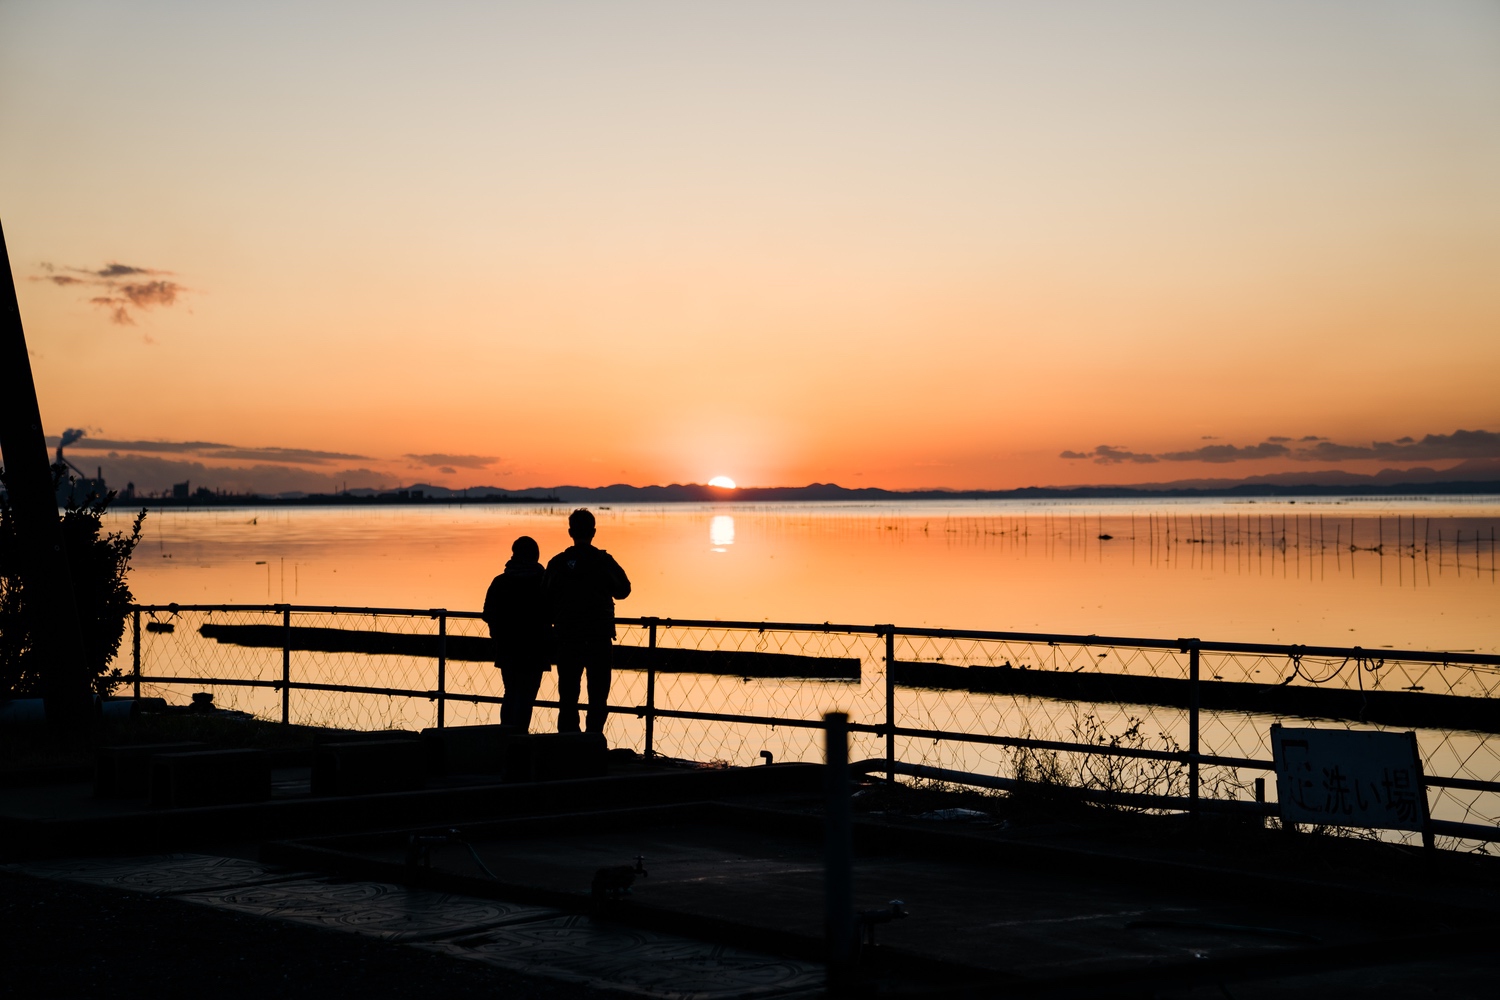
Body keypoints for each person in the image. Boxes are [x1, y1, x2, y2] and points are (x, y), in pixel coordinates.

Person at [545, 508, 631, 735]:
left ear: (570, 532)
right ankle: (593, 740)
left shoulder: (558, 563)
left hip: (567, 637)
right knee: (598, 695)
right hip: (598, 637)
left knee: (568, 695)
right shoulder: (604, 561)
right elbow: (624, 590)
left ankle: (567, 742)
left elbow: (544, 595)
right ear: (593, 532)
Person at [482, 535, 550, 731]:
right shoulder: (543, 582)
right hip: (535, 647)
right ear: (536, 556)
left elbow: (488, 613)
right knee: (527, 696)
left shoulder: (501, 582)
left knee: (510, 693)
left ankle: (507, 736)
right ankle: (520, 736)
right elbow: (552, 612)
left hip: (507, 646)